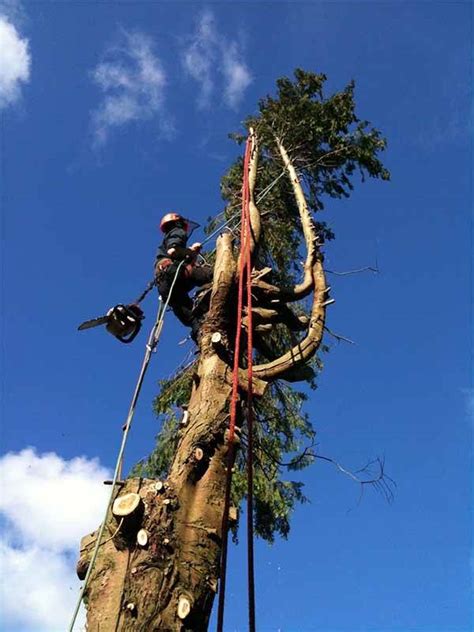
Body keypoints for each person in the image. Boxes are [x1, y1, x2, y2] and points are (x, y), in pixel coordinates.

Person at [154, 212, 213, 341]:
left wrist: (192, 253)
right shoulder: (177, 231)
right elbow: (173, 251)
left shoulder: (163, 245)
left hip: (165, 286)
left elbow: (180, 257)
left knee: (194, 320)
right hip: (175, 272)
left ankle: (203, 338)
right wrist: (192, 251)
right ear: (178, 222)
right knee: (213, 275)